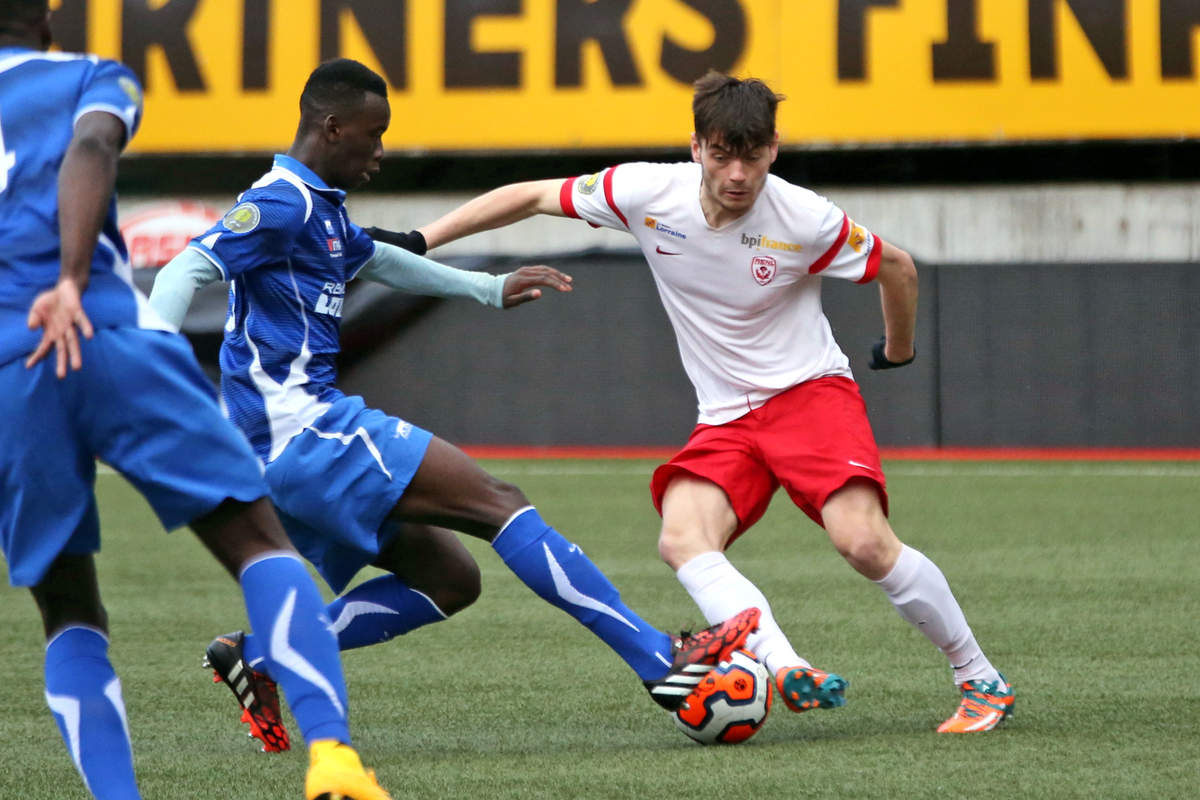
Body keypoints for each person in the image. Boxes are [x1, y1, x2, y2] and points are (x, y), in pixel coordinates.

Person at [148, 58, 760, 753]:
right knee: (502, 502)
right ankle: (661, 661)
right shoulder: (280, 202)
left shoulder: (317, 206)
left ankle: (261, 654)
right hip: (306, 430)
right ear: (332, 125)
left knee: (449, 580)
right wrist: (152, 367)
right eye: (373, 135)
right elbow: (184, 269)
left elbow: (377, 261)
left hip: (283, 456)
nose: (381, 153)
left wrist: (487, 289)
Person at [403, 70, 1015, 734]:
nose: (737, 173)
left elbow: (897, 267)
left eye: (752, 156)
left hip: (809, 395)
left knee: (864, 544)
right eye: (722, 153)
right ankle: (784, 667)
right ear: (696, 146)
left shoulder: (805, 217)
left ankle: (980, 677)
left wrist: (897, 351)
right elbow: (529, 196)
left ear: (773, 150)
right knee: (681, 538)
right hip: (725, 417)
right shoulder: (647, 192)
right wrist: (420, 241)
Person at [0, 5, 396, 799]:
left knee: (69, 609)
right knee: (260, 545)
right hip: (105, 331)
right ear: (43, 13)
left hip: (12, 364)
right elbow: (90, 145)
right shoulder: (90, 76)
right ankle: (333, 760)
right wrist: (72, 280)